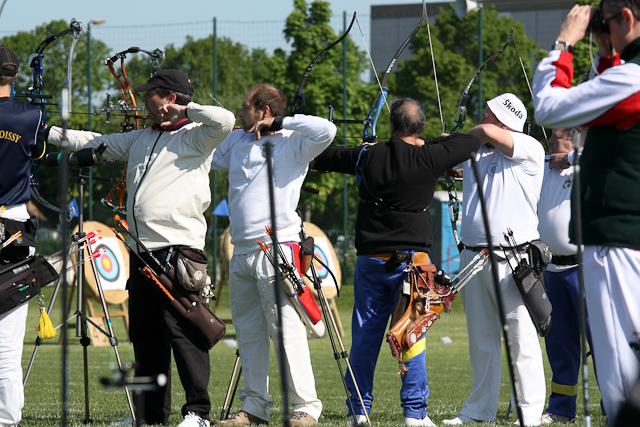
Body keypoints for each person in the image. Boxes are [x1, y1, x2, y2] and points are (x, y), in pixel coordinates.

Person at [47, 69, 236, 427]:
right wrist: (48, 132)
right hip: (141, 252)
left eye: (152, 93)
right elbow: (94, 141)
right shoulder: (141, 137)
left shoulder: (198, 136)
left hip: (178, 253)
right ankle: (150, 417)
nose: (145, 99)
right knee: (146, 337)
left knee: (185, 333)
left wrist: (184, 109)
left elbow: (225, 120)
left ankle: (198, 414)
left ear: (169, 98)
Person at [311, 98, 481, 427]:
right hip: (414, 266)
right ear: (420, 128)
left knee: (365, 338)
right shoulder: (431, 156)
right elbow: (470, 141)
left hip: (373, 262)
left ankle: (358, 411)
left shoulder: (367, 155)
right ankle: (414, 414)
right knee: (411, 337)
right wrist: (429, 143)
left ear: (390, 125)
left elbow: (324, 157)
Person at [532, 2, 640, 423]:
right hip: (623, 238)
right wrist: (606, 53)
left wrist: (564, 43)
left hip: (619, 240)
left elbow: (549, 106)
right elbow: (603, 97)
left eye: (606, 23)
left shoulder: (632, 78)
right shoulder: (626, 74)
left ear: (626, 18)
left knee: (620, 369)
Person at [212, 84, 336, 427]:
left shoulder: (294, 142)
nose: (240, 112)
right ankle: (254, 407)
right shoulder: (237, 141)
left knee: (286, 330)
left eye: (245, 107)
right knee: (249, 333)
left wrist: (283, 122)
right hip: (241, 249)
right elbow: (205, 148)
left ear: (264, 111)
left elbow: (328, 130)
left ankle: (306, 407)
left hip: (277, 249)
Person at [443, 93, 546, 426]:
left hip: (513, 259)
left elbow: (485, 133)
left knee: (521, 338)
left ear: (503, 121)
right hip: (474, 257)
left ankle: (529, 413)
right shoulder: (478, 151)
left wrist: (458, 141)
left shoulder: (529, 147)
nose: (482, 118)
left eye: (487, 114)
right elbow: (449, 162)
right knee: (482, 340)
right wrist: (444, 148)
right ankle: (478, 411)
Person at [538, 127, 597, 424]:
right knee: (560, 343)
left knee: (601, 342)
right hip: (553, 270)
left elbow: (599, 153)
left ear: (572, 141)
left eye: (555, 139)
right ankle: (561, 409)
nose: (549, 143)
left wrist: (569, 158)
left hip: (584, 268)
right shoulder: (546, 167)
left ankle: (617, 404)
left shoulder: (586, 164)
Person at [0, 44, 45, 427]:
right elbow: (39, 150)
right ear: (15, 76)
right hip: (13, 226)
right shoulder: (31, 115)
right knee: (8, 337)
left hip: (12, 228)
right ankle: (6, 418)